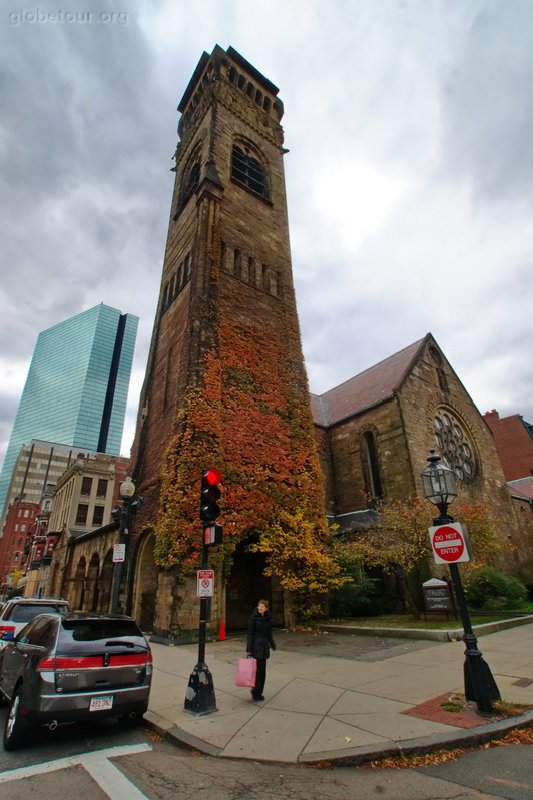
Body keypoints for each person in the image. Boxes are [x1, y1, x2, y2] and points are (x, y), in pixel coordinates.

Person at [246, 598, 276, 701]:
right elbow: (250, 634)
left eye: (262, 607)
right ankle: (255, 690)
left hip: (264, 647)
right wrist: (249, 649)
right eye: (259, 606)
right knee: (256, 670)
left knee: (262, 671)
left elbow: (269, 634)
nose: (260, 608)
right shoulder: (253, 619)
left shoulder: (268, 619)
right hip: (256, 646)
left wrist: (272, 644)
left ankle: (260, 692)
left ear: (266, 608)